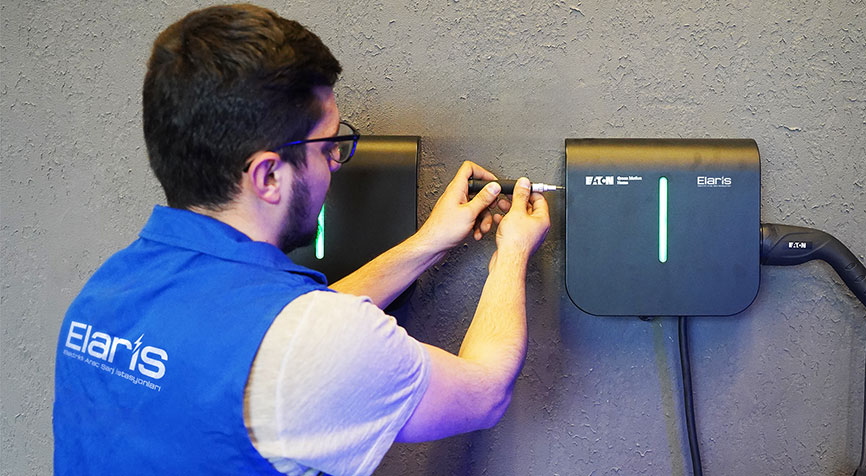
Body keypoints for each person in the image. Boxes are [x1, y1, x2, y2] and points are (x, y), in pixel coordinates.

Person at [52, 4, 550, 476]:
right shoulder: (312, 342)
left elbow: (287, 328)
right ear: (269, 176)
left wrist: (427, 244)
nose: (336, 162)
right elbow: (485, 393)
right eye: (328, 145)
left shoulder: (103, 296)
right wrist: (512, 252)